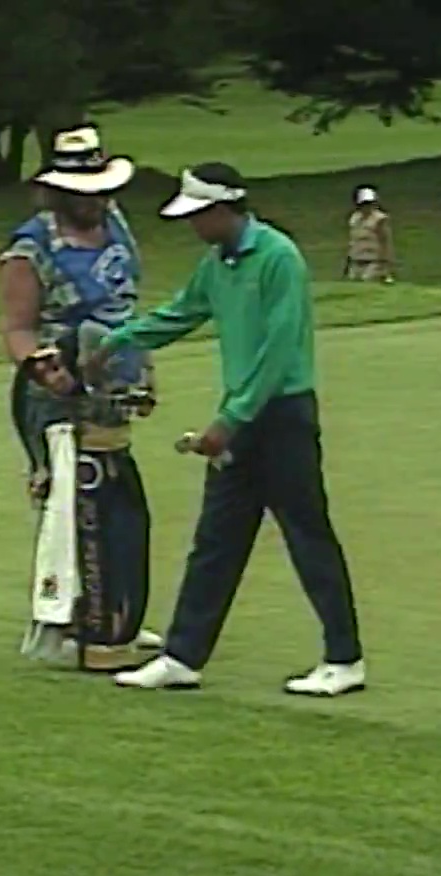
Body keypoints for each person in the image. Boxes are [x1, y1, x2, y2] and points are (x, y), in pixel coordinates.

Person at [87, 162, 366, 696]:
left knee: (307, 535)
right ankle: (183, 656)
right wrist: (119, 340)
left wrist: (230, 421)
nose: (192, 227)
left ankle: (344, 658)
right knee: (216, 539)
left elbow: (278, 349)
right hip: (242, 415)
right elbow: (180, 313)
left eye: (198, 216)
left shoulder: (279, 257)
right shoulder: (217, 264)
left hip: (281, 416)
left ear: (222, 210)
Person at [0, 123, 163, 670]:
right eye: (82, 193)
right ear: (57, 192)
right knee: (71, 504)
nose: (94, 202)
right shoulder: (30, 247)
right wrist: (43, 366)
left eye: (100, 190)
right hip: (58, 387)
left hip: (110, 380)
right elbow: (18, 330)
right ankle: (65, 625)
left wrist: (140, 366)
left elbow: (124, 303)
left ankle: (111, 616)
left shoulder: (116, 226)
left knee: (115, 502)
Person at [345, 186, 396, 283]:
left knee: (367, 281)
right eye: (364, 204)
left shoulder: (380, 219)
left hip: (374, 260)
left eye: (369, 203)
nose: (367, 206)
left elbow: (385, 241)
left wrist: (387, 265)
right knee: (352, 282)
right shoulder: (354, 218)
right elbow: (352, 241)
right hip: (356, 259)